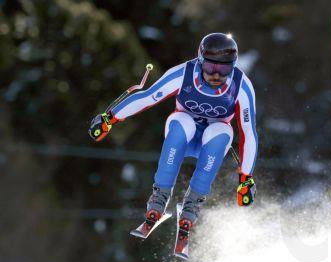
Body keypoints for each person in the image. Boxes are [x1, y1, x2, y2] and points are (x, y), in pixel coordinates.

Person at [89, 33, 257, 248]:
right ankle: (159, 197)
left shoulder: (241, 86)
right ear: (199, 61)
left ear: (232, 66)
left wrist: (246, 178)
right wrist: (110, 118)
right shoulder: (183, 73)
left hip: (212, 142)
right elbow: (147, 97)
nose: (216, 75)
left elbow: (248, 132)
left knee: (220, 131)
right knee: (181, 121)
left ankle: (192, 205)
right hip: (183, 136)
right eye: (210, 67)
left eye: (223, 70)